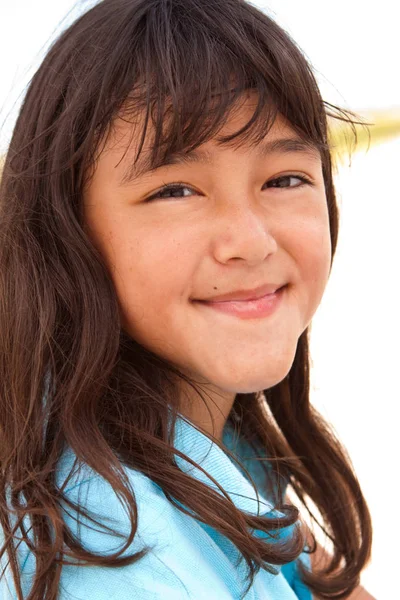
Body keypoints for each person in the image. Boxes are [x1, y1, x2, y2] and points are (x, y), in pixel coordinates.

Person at [0, 0, 375, 598]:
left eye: (283, 179)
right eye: (176, 190)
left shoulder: (208, 438)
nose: (251, 243)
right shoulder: (117, 561)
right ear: (66, 234)